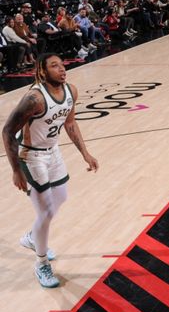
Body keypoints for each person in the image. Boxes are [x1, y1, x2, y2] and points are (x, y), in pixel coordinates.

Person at [2, 53, 99, 288]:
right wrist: (16, 170)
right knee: (45, 212)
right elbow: (7, 132)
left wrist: (85, 154)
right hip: (30, 155)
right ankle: (41, 263)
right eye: (54, 66)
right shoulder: (34, 99)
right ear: (43, 72)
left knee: (61, 196)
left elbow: (70, 123)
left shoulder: (71, 91)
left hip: (52, 151)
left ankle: (32, 237)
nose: (62, 69)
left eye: (62, 65)